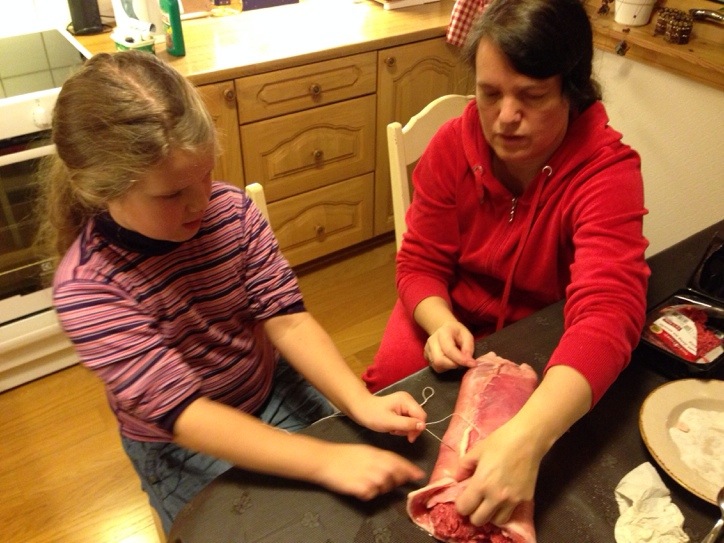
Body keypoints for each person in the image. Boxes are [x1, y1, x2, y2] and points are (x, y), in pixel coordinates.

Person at [35, 50, 427, 534]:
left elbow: (288, 320)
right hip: (181, 444)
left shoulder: (232, 211)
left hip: (271, 389)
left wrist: (359, 402)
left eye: (205, 173)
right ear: (101, 190)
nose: (200, 201)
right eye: (172, 194)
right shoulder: (88, 287)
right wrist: (326, 461)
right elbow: (185, 414)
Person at [362, 0, 650, 529]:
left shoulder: (607, 173)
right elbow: (420, 262)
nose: (505, 117)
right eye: (489, 93)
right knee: (388, 397)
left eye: (532, 96)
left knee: (560, 463)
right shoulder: (451, 146)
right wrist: (438, 320)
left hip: (537, 329)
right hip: (449, 312)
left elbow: (608, 310)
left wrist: (528, 438)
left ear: (572, 89)